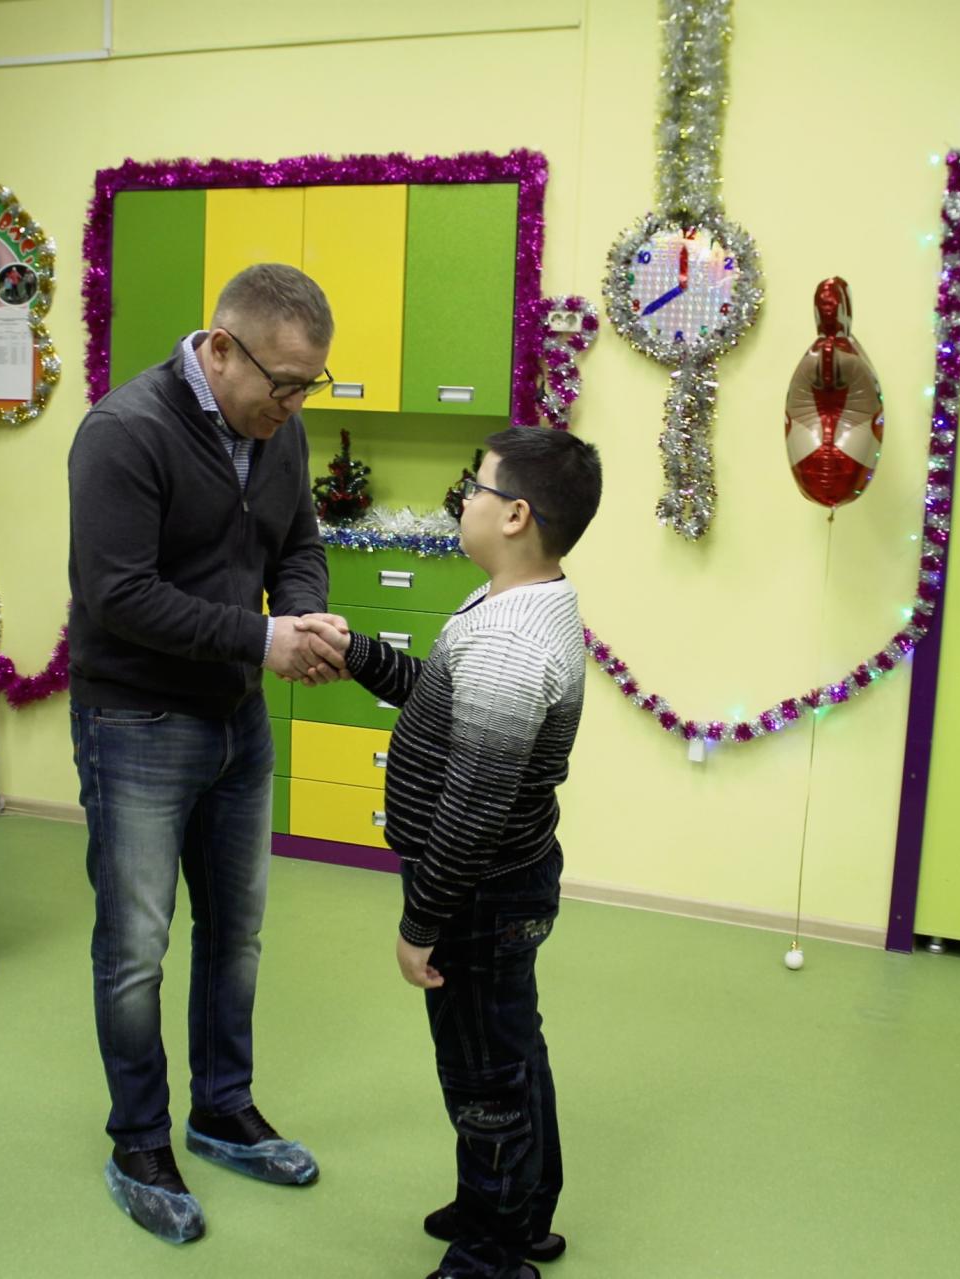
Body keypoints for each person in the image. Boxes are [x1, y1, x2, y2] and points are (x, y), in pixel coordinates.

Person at [67, 263, 343, 1245]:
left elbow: (296, 542)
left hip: (236, 719)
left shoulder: (277, 425)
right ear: (220, 348)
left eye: (308, 385)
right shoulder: (125, 432)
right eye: (283, 383)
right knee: (136, 947)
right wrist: (262, 638)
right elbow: (119, 594)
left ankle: (221, 1108)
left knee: (237, 932)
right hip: (136, 722)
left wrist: (304, 613)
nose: (293, 405)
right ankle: (138, 1139)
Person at [297, 426, 603, 1279]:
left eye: (476, 485)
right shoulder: (515, 602)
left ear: (515, 514)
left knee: (484, 1076)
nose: (462, 497)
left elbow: (471, 811)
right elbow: (441, 692)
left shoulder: (511, 641)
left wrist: (421, 923)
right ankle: (516, 1211)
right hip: (502, 880)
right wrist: (359, 654)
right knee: (510, 1046)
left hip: (478, 893)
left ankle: (492, 1254)